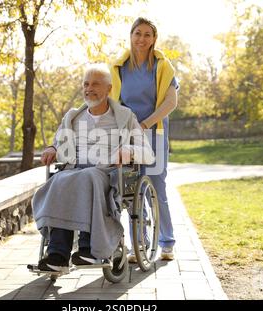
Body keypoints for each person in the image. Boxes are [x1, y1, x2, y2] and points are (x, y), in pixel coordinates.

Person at [32, 63, 155, 273]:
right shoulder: (73, 117)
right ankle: (57, 254)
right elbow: (58, 143)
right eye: (86, 84)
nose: (89, 88)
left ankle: (90, 249)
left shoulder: (125, 117)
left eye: (96, 84)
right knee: (59, 179)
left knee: (87, 176)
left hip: (109, 174)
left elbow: (149, 154)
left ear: (109, 89)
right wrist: (52, 147)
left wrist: (129, 150)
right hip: (75, 171)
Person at [110, 17, 179, 261]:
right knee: (132, 189)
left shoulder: (162, 66)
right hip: (127, 135)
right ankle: (140, 243)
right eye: (137, 33)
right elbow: (112, 102)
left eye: (147, 34)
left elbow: (171, 102)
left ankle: (167, 241)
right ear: (130, 36)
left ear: (154, 39)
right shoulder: (118, 67)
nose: (141, 38)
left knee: (156, 188)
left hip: (154, 132)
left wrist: (145, 124)